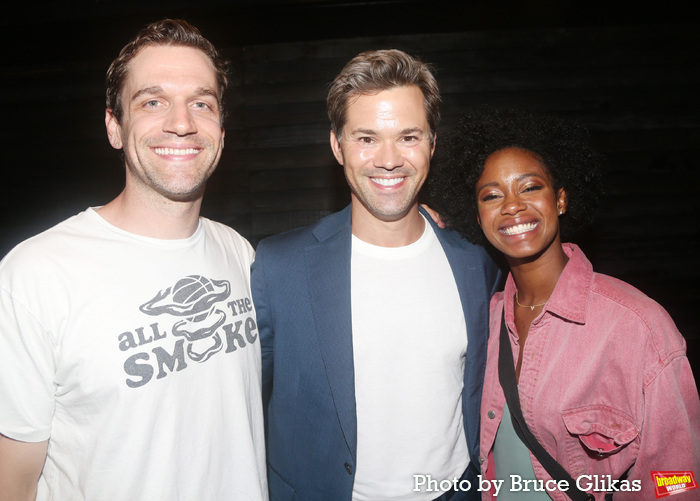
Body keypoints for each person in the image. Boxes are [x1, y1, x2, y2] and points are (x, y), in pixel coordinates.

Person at [0, 19, 267, 500]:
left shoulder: (237, 251)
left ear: (221, 133)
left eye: (201, 103)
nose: (181, 123)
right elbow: (12, 482)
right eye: (152, 102)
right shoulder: (35, 275)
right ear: (114, 127)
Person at [251, 50, 501, 501]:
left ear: (431, 144)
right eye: (367, 138)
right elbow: (245, 403)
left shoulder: (476, 261)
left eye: (408, 137)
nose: (389, 160)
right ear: (337, 145)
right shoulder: (278, 268)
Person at [428, 107, 700, 500]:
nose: (512, 205)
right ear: (478, 216)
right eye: (491, 195)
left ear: (560, 199)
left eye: (530, 187)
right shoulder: (482, 321)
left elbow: (678, 479)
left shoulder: (636, 325)